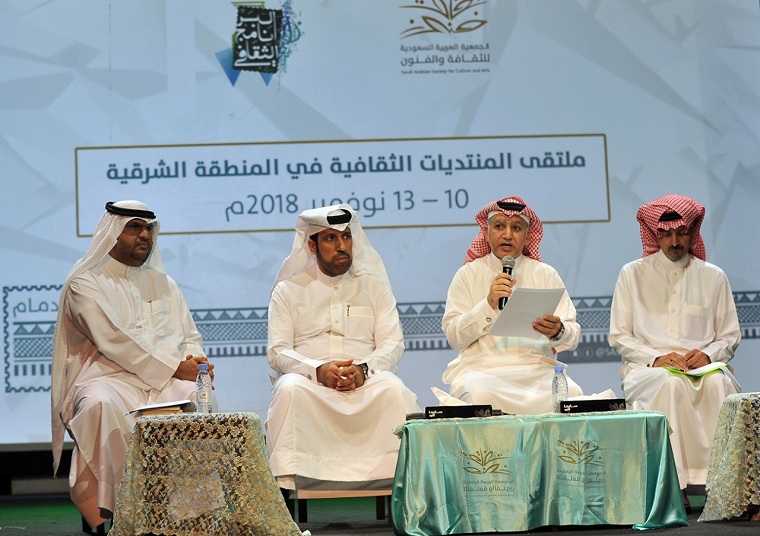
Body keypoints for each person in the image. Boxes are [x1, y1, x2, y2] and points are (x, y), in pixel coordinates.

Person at [51, 200, 214, 530]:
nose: (144, 235)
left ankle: (190, 515)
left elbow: (189, 336)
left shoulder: (164, 284)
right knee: (99, 404)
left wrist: (195, 363)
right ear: (111, 232)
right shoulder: (85, 282)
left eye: (148, 229)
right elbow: (114, 340)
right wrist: (175, 368)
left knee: (194, 396)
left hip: (161, 383)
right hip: (105, 379)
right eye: (134, 227)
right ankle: (120, 512)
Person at [266, 203, 419, 493]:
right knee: (289, 389)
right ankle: (287, 492)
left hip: (366, 381)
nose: (342, 246)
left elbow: (392, 344)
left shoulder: (374, 287)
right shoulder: (288, 290)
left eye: (346, 236)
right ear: (312, 246)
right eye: (331, 238)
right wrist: (317, 370)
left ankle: (403, 487)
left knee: (393, 389)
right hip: (311, 384)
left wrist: (363, 369)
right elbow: (278, 351)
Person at [609, 194, 740, 511]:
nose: (675, 241)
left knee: (717, 384)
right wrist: (655, 358)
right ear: (655, 234)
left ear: (692, 232)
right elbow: (619, 336)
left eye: (681, 232)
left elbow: (730, 336)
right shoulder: (632, 274)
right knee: (670, 385)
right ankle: (674, 486)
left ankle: (721, 486)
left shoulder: (713, 276)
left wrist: (708, 355)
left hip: (702, 369)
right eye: (666, 234)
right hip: (648, 370)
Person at [441, 195, 583, 414]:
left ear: (527, 236)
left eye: (516, 228)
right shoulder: (467, 275)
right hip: (482, 369)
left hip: (536, 369)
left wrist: (558, 331)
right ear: (487, 232)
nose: (507, 235)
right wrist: (488, 304)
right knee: (481, 396)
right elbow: (454, 337)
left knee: (572, 393)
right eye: (499, 226)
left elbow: (572, 336)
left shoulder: (545, 274)